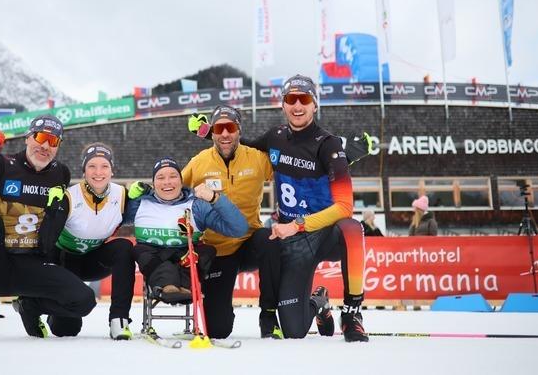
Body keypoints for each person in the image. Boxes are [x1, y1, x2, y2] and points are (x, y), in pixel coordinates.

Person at [0, 114, 96, 341]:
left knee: (82, 304)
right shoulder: (2, 165)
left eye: (53, 141)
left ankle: (31, 306)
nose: (45, 145)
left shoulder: (60, 174)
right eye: (41, 137)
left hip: (32, 263)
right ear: (28, 138)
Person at [247, 74, 369, 342]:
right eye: (291, 99)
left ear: (314, 105)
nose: (297, 106)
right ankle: (319, 303)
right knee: (294, 331)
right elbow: (238, 147)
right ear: (283, 105)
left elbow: (345, 207)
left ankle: (351, 314)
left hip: (324, 235)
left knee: (352, 228)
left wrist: (298, 224)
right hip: (294, 243)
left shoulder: (328, 145)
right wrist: (209, 131)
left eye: (304, 99)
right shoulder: (275, 137)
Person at [182, 105, 284, 339]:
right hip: (217, 252)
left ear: (239, 130)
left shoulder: (257, 158)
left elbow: (290, 170)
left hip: (250, 243)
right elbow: (172, 189)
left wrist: (337, 160)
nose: (225, 133)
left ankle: (268, 314)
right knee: (218, 330)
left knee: (270, 239)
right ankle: (223, 311)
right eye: (219, 128)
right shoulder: (199, 162)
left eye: (231, 127)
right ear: (213, 133)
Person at [38, 143, 136, 340]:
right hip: (65, 260)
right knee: (66, 329)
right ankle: (33, 305)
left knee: (124, 246)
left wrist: (148, 195)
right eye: (92, 166)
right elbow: (46, 239)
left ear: (112, 170)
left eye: (104, 166)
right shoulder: (69, 196)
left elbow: (155, 212)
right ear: (83, 170)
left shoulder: (123, 195)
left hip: (94, 260)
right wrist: (51, 209)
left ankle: (119, 319)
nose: (98, 172)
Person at [126, 157, 248, 308]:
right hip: (153, 256)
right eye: (160, 177)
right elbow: (111, 219)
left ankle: (185, 286)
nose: (167, 182)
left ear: (181, 180)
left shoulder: (196, 205)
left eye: (173, 176)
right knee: (137, 249)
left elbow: (238, 229)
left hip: (185, 256)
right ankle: (168, 286)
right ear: (153, 183)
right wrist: (127, 197)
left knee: (207, 250)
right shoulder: (141, 203)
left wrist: (215, 199)